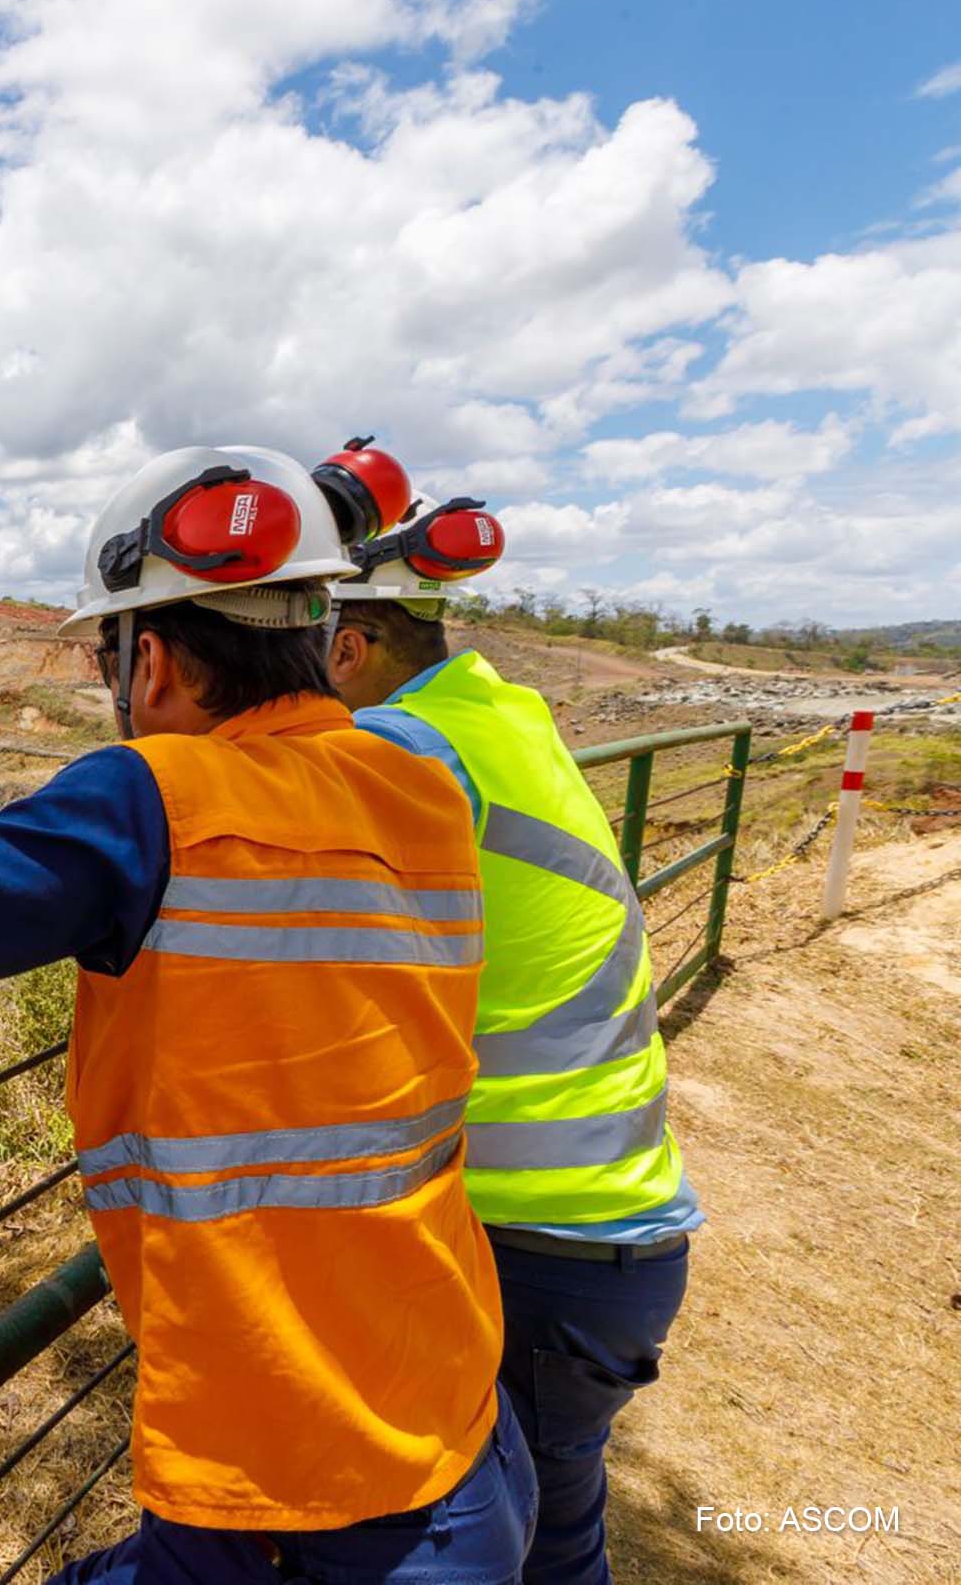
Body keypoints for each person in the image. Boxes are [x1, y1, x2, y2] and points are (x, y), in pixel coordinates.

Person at [0, 445, 533, 1583]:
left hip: (306, 1489)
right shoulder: (415, 786)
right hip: (453, 1410)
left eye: (106, 661)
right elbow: (217, 838)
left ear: (153, 661)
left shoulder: (149, 797)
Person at [316, 447, 699, 1585]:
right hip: (605, 1233)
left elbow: (227, 832)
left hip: (539, 1246)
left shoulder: (404, 745)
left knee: (507, 1543)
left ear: (348, 648)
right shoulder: (501, 715)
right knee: (556, 1525)